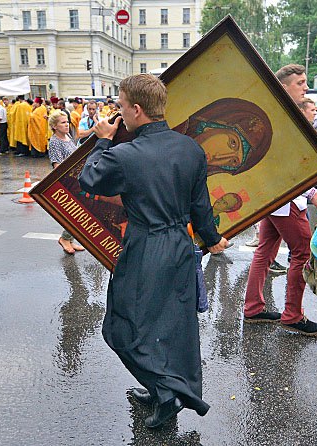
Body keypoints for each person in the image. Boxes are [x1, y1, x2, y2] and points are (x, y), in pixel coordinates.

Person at [78, 74, 229, 429]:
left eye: (120, 106)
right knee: (171, 325)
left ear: (136, 109)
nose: (119, 113)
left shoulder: (124, 154)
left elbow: (89, 179)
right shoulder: (190, 147)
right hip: (179, 245)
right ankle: (158, 385)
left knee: (121, 326)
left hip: (145, 246)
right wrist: (211, 238)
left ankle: (164, 393)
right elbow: (201, 207)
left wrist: (102, 141)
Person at [242, 64, 317, 335]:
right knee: (302, 253)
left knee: (265, 251)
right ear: (283, 86)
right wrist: (312, 193)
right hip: (287, 199)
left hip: (276, 199)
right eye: (300, 83)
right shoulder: (282, 118)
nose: (306, 87)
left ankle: (253, 308)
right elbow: (281, 167)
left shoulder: (281, 114)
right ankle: (292, 314)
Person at [47, 110, 86, 255]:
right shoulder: (55, 141)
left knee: (78, 212)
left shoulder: (67, 137)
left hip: (77, 179)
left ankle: (69, 239)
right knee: (75, 213)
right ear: (55, 126)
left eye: (67, 122)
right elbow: (57, 165)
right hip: (67, 182)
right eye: (63, 122)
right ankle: (65, 239)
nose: (67, 125)